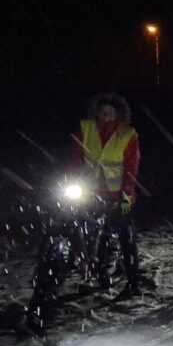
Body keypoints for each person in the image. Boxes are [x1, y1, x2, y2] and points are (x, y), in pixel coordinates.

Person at [72, 93, 141, 299]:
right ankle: (99, 272)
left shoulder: (128, 134)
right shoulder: (86, 129)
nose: (106, 116)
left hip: (117, 193)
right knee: (91, 234)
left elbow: (131, 165)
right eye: (103, 112)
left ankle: (133, 281)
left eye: (110, 113)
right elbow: (75, 158)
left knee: (125, 237)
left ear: (118, 114)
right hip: (90, 191)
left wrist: (127, 193)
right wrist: (73, 180)